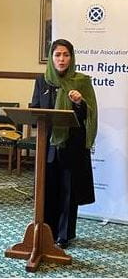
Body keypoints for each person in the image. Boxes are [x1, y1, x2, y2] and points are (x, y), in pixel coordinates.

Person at [31, 39, 98, 249]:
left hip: (72, 145)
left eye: (66, 55)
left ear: (71, 57)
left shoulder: (81, 81)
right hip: (48, 146)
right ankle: (47, 230)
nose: (61, 59)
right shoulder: (42, 81)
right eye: (57, 54)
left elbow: (89, 114)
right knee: (48, 188)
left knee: (68, 191)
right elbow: (35, 109)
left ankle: (64, 235)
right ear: (51, 58)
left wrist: (80, 103)